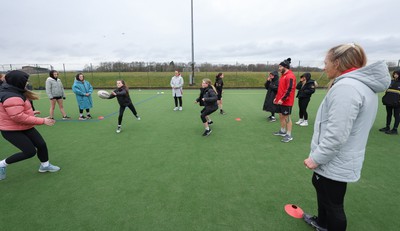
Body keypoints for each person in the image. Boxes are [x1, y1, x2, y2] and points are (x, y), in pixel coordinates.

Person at [303, 43, 391, 231]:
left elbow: (337, 134)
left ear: (337, 62)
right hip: (341, 157)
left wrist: (316, 158)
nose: (324, 66)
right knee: (324, 191)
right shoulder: (357, 85)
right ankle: (322, 223)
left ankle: (327, 224)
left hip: (335, 159)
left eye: (326, 62)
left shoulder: (347, 88)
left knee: (334, 204)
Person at [0, 70, 60, 181]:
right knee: (29, 152)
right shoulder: (11, 96)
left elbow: (17, 112)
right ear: (18, 82)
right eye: (25, 81)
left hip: (24, 126)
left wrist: (31, 113)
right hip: (11, 130)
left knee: (41, 144)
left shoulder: (14, 90)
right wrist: (42, 121)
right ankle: (2, 164)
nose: (27, 83)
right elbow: (17, 116)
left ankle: (45, 166)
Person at [273, 58, 296, 142]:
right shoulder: (283, 76)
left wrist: (282, 99)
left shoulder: (290, 76)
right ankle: (282, 131)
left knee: (287, 118)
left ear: (285, 67)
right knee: (281, 116)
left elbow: (289, 89)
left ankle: (289, 135)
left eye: (280, 67)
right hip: (280, 100)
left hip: (286, 102)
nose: (279, 68)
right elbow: (281, 88)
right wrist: (277, 97)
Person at [379, 69, 400, 134]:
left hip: (397, 103)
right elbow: (387, 91)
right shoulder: (391, 81)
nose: (395, 75)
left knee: (396, 115)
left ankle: (395, 129)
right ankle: (387, 127)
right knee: (389, 114)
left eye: (397, 74)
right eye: (394, 74)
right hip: (389, 102)